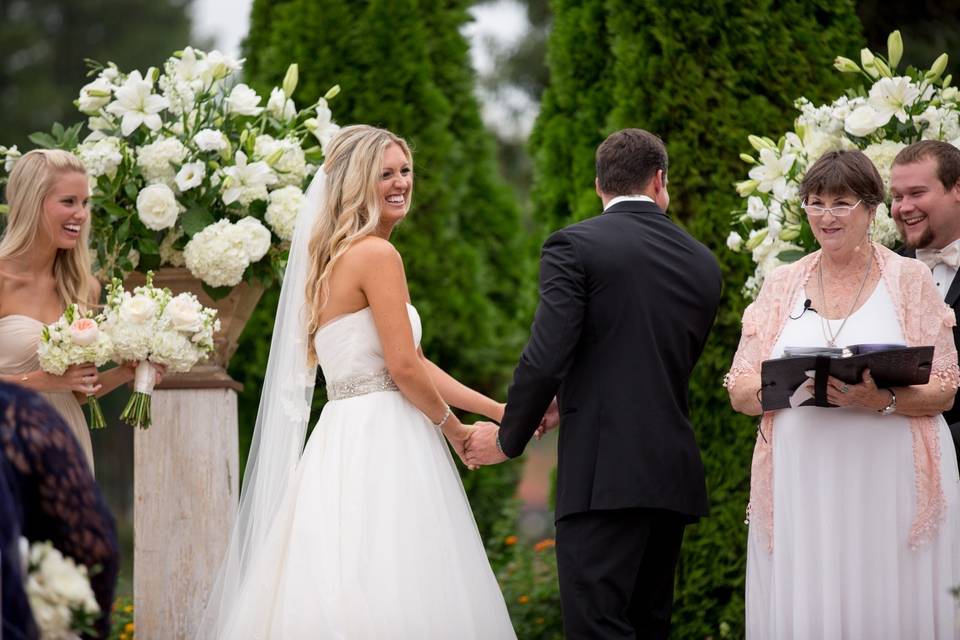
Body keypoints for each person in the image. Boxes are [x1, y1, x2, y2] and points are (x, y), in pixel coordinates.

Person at [198, 125, 516, 638]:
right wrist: (454, 430)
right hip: (385, 437)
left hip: (341, 435)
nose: (400, 183)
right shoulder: (377, 255)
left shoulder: (331, 260)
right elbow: (403, 368)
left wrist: (501, 412)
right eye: (384, 174)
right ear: (354, 184)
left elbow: (413, 360)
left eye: (405, 171)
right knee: (397, 576)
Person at [466, 128, 722, 639]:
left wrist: (507, 438)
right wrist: (571, 395)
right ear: (659, 181)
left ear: (598, 184)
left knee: (596, 630)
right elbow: (645, 358)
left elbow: (544, 358)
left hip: (603, 477)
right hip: (669, 474)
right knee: (650, 627)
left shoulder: (575, 245)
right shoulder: (702, 262)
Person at [726, 150, 960, 638]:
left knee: (886, 599)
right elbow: (741, 387)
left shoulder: (910, 280)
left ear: (871, 209)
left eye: (841, 203)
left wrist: (883, 401)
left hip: (888, 482)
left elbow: (945, 387)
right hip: (804, 485)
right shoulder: (781, 283)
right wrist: (785, 385)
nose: (826, 216)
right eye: (815, 203)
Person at [0, 149, 150, 472]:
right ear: (31, 204)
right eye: (68, 202)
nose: (81, 214)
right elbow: (52, 383)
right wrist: (41, 381)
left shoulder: (84, 288)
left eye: (85, 203)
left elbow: (75, 392)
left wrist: (125, 372)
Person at [0, 381, 119, 639]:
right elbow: (97, 548)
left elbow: (81, 391)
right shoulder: (18, 407)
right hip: (28, 428)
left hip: (60, 422)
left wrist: (122, 373)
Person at [891, 140, 960, 463]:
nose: (904, 207)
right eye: (896, 197)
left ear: (957, 189)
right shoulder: (879, 271)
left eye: (917, 193)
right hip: (885, 468)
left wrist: (935, 452)